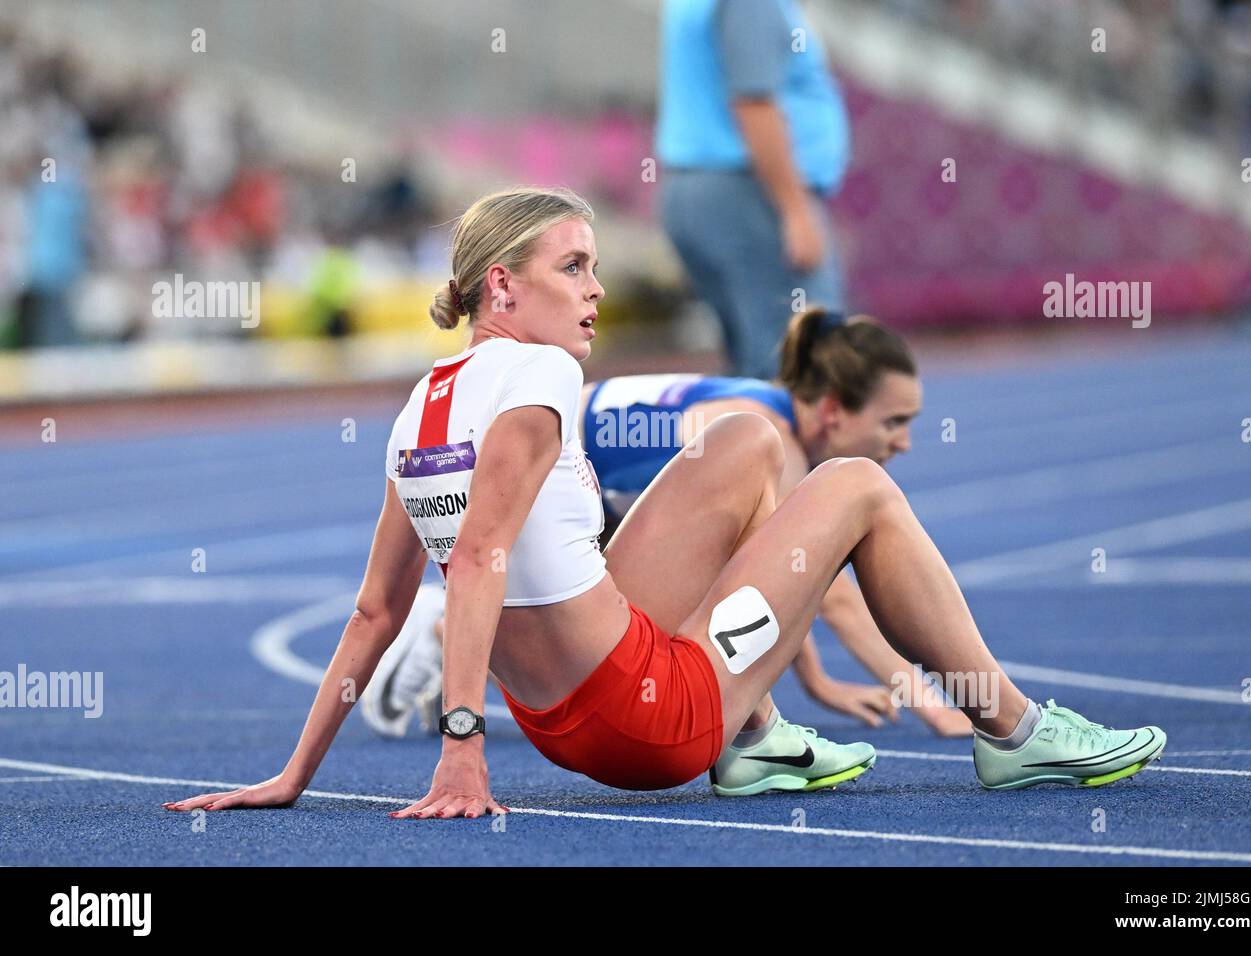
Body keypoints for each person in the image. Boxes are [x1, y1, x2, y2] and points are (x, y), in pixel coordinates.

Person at [164, 187, 1166, 820]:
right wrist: (461, 747)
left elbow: (377, 611)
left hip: (563, 706)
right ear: (502, 288)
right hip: (647, 720)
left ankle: (756, 739)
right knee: (857, 482)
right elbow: (477, 558)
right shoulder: (543, 378)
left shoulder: (416, 407)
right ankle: (1011, 729)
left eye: (595, 263)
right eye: (574, 267)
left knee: (745, 440)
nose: (597, 289)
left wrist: (292, 772)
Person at [368, 309, 969, 739]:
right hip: (541, 466)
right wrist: (932, 703)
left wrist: (813, 678)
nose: (905, 442)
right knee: (607, 637)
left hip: (572, 475)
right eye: (893, 422)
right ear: (834, 412)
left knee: (632, 622)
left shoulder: (765, 410)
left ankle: (453, 629)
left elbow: (769, 577)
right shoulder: (771, 435)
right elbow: (825, 596)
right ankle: (444, 632)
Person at [657, 0, 850, 378]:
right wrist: (795, 210)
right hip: (747, 193)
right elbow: (754, 101)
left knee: (758, 363)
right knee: (806, 368)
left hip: (703, 186)